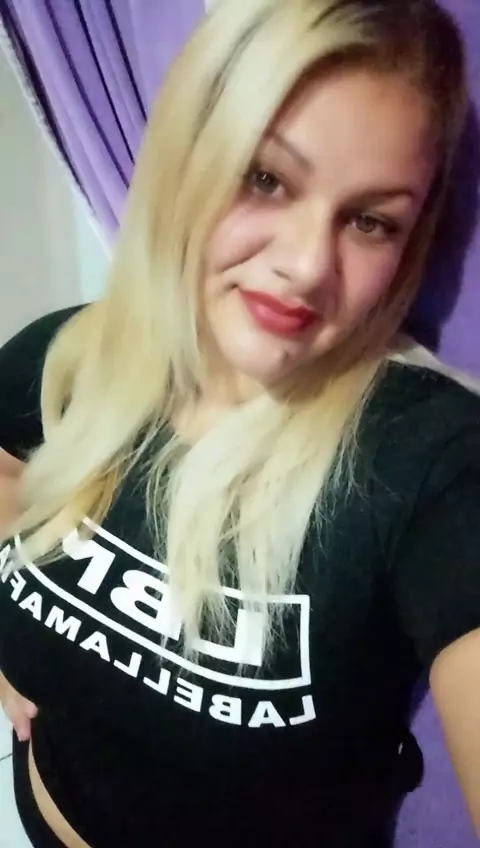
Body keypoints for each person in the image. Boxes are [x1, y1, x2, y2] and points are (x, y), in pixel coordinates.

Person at [1, 0, 479, 845]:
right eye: (266, 178)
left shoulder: (429, 462)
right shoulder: (64, 356)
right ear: (188, 157)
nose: (307, 264)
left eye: (370, 221)